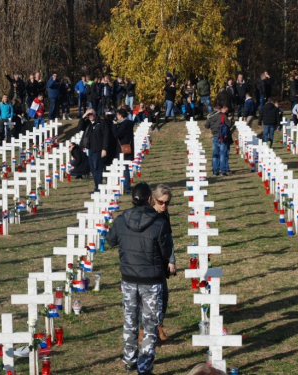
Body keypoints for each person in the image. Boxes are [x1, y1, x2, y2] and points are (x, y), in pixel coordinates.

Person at [107, 182, 172, 375]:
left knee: (130, 321)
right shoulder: (159, 224)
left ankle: (129, 360)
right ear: (150, 200)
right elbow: (166, 251)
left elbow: (110, 241)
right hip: (151, 280)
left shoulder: (120, 220)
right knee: (150, 323)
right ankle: (144, 366)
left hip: (128, 278)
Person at [150, 184, 176, 343]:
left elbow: (169, 238)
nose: (164, 206)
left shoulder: (165, 215)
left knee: (163, 296)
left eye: (167, 203)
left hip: (162, 261)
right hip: (149, 261)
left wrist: (172, 260)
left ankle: (159, 326)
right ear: (153, 199)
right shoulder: (148, 215)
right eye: (161, 202)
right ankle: (143, 330)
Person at [79, 108, 108, 192]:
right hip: (91, 149)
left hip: (99, 149)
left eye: (91, 114)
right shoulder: (88, 124)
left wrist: (104, 149)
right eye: (88, 115)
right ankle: (97, 186)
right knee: (93, 169)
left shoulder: (101, 123)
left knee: (97, 169)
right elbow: (79, 126)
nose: (90, 116)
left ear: (95, 114)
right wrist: (84, 115)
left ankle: (98, 188)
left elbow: (106, 136)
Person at [205, 106, 232, 176]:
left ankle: (215, 170)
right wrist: (230, 120)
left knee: (215, 154)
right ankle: (223, 171)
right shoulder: (222, 116)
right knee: (222, 154)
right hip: (222, 136)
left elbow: (206, 126)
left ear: (213, 109)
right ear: (220, 109)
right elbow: (229, 125)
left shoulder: (210, 116)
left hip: (214, 136)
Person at [112, 108, 134, 193]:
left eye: (117, 115)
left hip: (123, 148)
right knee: (123, 168)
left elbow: (117, 134)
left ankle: (127, 187)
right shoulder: (126, 123)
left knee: (124, 168)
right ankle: (124, 186)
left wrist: (114, 126)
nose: (117, 117)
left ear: (120, 115)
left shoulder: (125, 124)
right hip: (123, 147)